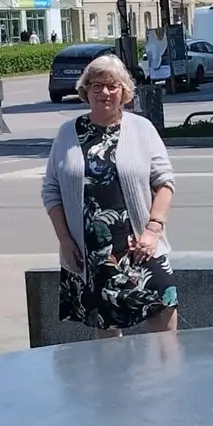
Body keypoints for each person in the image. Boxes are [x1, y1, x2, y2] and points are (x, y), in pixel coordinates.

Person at [41, 54, 177, 338]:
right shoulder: (67, 133)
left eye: (112, 86)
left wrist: (153, 229)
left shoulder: (142, 129)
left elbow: (164, 182)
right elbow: (51, 189)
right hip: (92, 255)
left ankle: (165, 381)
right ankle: (116, 384)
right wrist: (65, 240)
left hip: (142, 246)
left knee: (163, 327)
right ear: (85, 91)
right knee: (108, 347)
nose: (104, 92)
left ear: (124, 92)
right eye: (96, 85)